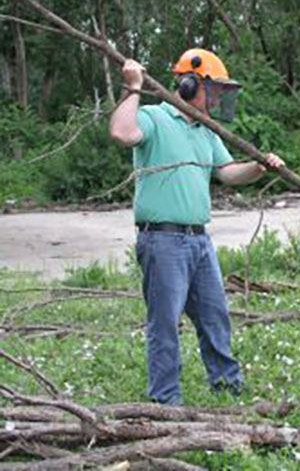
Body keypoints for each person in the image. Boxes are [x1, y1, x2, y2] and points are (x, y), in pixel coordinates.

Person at [109, 48, 283, 405]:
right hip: (162, 241)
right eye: (214, 90)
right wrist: (134, 87)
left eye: (222, 93)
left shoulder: (207, 132)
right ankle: (165, 400)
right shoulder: (155, 117)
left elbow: (226, 172)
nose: (218, 99)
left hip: (199, 242)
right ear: (188, 84)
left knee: (215, 317)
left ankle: (227, 387)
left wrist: (259, 167)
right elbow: (122, 133)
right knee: (166, 324)